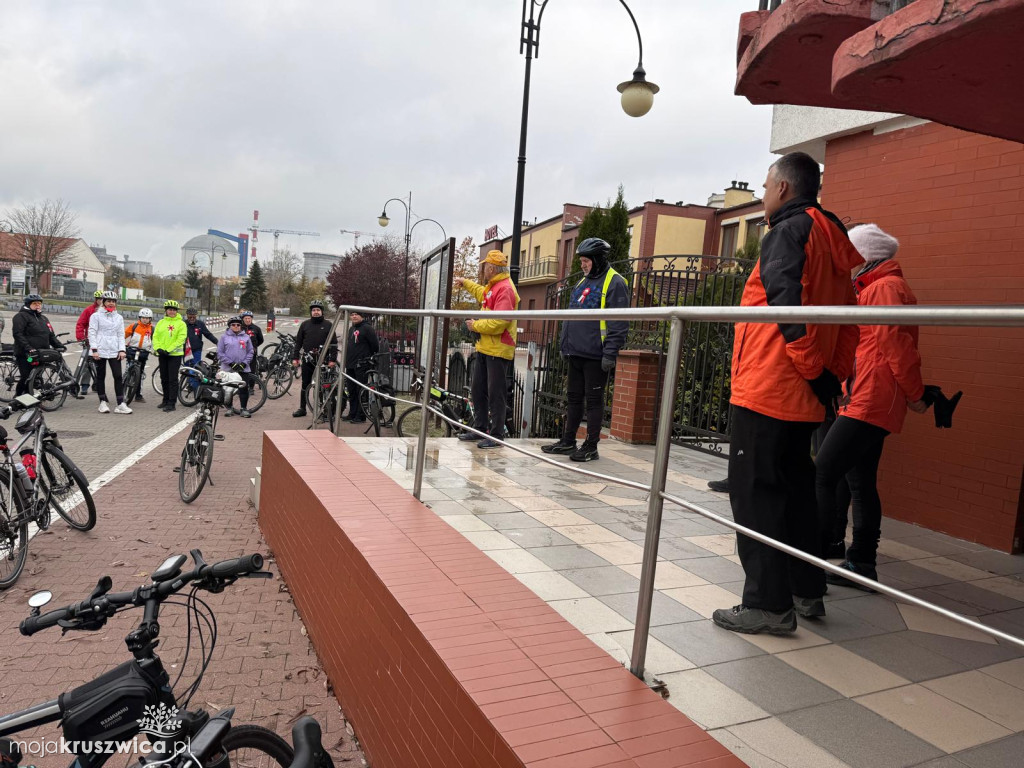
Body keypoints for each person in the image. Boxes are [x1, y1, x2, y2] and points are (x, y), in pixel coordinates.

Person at [712, 152, 863, 636]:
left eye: (764, 185)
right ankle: (806, 589)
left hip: (769, 386)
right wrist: (827, 379)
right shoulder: (833, 235)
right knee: (798, 493)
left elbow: (784, 304)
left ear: (782, 188)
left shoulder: (789, 229)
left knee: (755, 494)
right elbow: (848, 321)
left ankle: (767, 604)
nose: (761, 193)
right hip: (802, 392)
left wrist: (812, 369)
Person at [815, 224, 928, 590]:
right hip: (866, 395)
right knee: (859, 481)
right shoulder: (877, 287)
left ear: (864, 257)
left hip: (872, 398)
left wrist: (917, 395)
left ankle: (818, 552)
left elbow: (897, 347)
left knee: (824, 472)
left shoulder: (884, 288)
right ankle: (861, 561)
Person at [541, 238, 628, 462]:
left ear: (598, 259)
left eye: (586, 260)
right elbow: (569, 316)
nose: (583, 264)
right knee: (573, 398)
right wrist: (564, 343)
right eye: (581, 260)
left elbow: (619, 323)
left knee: (594, 400)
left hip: (596, 354)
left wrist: (610, 353)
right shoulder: (582, 283)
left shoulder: (615, 282)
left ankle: (591, 446)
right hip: (576, 351)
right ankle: (568, 441)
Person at [454, 251, 520, 448]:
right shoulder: (494, 286)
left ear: (491, 268)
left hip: (498, 350)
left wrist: (476, 326)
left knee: (496, 393)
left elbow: (500, 322)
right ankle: (480, 429)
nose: (482, 270)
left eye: (484, 266)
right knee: (478, 390)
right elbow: (480, 292)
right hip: (487, 347)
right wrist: (465, 282)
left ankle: (497, 435)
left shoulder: (505, 289)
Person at [291, 299, 338, 418]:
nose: (316, 312)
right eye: (313, 310)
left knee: (323, 385)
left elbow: (333, 343)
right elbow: (298, 343)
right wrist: (295, 358)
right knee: (305, 384)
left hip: (324, 361)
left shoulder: (328, 325)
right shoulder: (305, 324)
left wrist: (332, 359)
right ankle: (302, 408)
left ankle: (322, 408)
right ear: (311, 312)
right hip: (308, 360)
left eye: (318, 310)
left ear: (322, 312)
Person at [12, 294, 63, 397]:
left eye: (39, 303)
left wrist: (59, 345)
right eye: (34, 303)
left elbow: (50, 335)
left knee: (35, 378)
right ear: (28, 304)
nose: (38, 305)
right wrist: (28, 348)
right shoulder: (21, 316)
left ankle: (29, 398)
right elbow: (18, 334)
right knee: (26, 377)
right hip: (26, 354)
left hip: (40, 353)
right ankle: (18, 398)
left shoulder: (44, 318)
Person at [88, 291, 131, 414]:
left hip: (114, 351)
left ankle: (120, 404)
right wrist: (94, 350)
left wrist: (122, 350)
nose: (111, 303)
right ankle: (102, 403)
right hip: (100, 350)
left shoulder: (119, 317)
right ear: (104, 302)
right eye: (108, 301)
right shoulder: (96, 316)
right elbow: (92, 333)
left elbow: (120, 335)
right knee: (101, 376)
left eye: (113, 301)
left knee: (118, 376)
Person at [342, 311, 379, 424]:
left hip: (362, 364)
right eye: (352, 315)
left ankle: (361, 414)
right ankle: (352, 413)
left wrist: (366, 357)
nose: (354, 316)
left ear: (362, 316)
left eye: (356, 314)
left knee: (361, 390)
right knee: (351, 390)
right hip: (350, 364)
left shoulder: (367, 328)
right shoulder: (351, 329)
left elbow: (375, 346)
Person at [153, 299, 188, 412]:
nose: (172, 312)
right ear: (166, 311)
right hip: (162, 354)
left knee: (172, 379)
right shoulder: (161, 322)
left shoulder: (181, 323)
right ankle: (165, 399)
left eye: (174, 310)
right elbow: (155, 337)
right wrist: (158, 348)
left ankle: (172, 402)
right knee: (164, 378)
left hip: (174, 355)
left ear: (176, 311)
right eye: (169, 310)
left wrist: (168, 349)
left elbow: (181, 339)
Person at [218, 317, 255, 418]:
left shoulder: (246, 337)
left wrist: (244, 363)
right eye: (233, 325)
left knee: (243, 388)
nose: (236, 326)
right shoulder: (224, 337)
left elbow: (250, 351)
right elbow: (220, 353)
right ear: (230, 326)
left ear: (241, 326)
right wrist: (230, 363)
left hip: (243, 367)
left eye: (238, 325)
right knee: (228, 389)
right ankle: (229, 408)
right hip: (228, 368)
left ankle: (243, 408)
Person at [74, 290, 104, 397]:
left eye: (102, 299)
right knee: (87, 365)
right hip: (89, 341)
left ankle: (97, 384)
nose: (101, 301)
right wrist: (81, 337)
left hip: (102, 342)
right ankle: (84, 385)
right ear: (96, 300)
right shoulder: (89, 310)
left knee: (100, 364)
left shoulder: (107, 312)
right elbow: (80, 324)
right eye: (99, 299)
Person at [125, 308, 155, 404]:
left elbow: (156, 341)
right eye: (143, 318)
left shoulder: (152, 329)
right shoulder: (134, 326)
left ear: (150, 319)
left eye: (147, 318)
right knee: (127, 371)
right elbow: (123, 335)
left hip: (143, 353)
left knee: (140, 374)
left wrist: (155, 350)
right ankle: (123, 389)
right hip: (132, 351)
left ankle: (138, 395)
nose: (145, 320)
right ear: (139, 318)